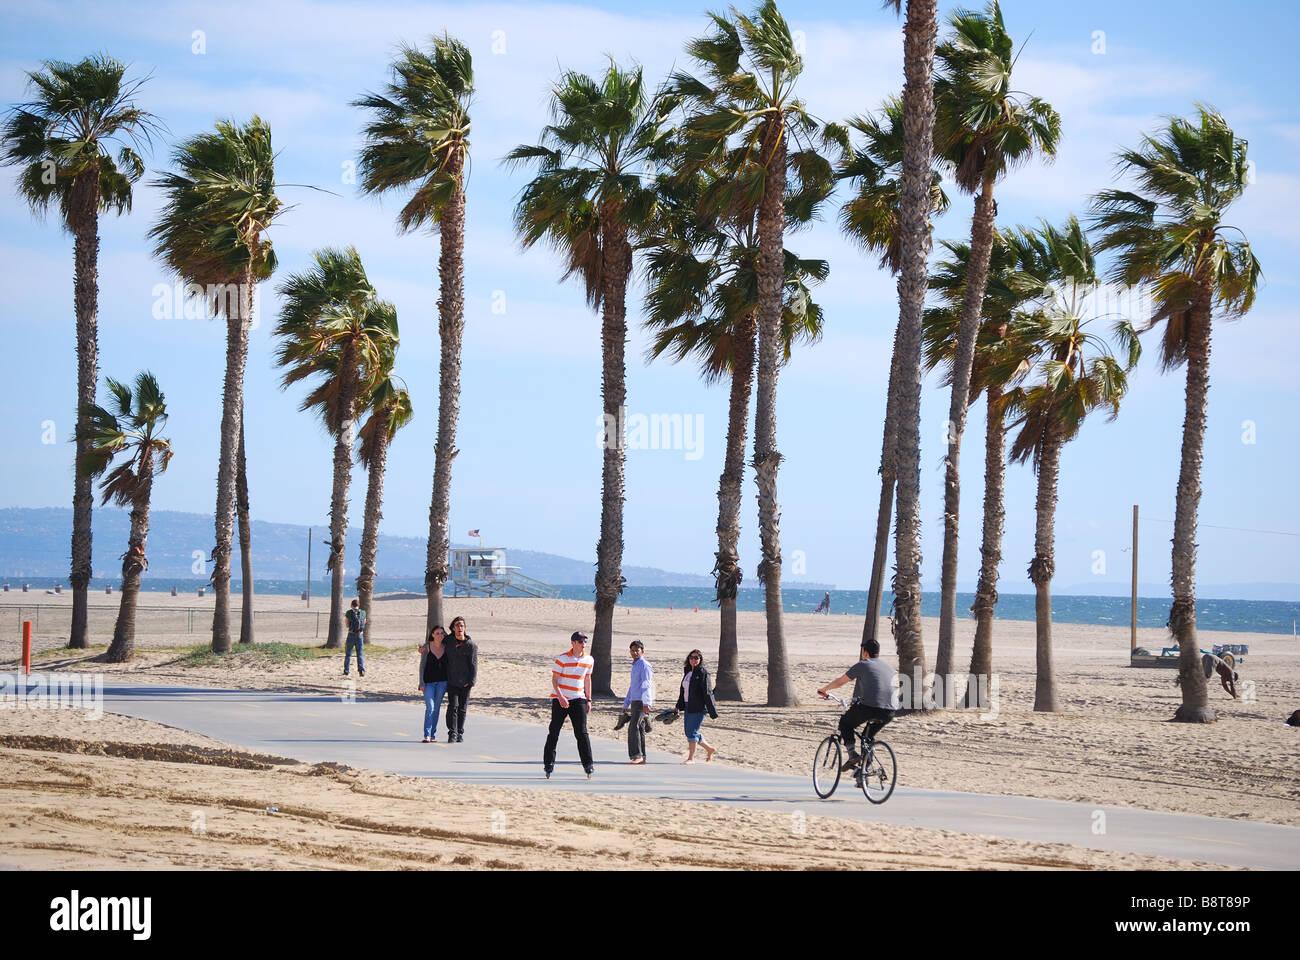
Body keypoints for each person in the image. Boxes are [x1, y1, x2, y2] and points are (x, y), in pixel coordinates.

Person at [818, 637, 897, 771]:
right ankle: (865, 771)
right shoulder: (889, 668)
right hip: (890, 711)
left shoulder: (863, 664)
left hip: (870, 707)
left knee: (845, 723)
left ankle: (852, 754)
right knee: (868, 737)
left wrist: (824, 690)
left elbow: (841, 681)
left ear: (865, 652)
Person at [544, 631, 595, 779]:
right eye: (580, 641)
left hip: (578, 698)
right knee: (554, 731)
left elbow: (587, 680)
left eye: (584, 641)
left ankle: (588, 764)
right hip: (560, 699)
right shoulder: (562, 659)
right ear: (573, 643)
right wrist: (560, 697)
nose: (583, 644)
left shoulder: (589, 660)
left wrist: (589, 700)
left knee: (582, 733)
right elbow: (555, 680)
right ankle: (548, 764)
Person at [674, 649, 718, 763]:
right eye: (691, 657)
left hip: (699, 707)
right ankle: (709, 749)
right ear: (688, 659)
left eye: (696, 658)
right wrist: (678, 705)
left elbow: (708, 692)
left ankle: (691, 758)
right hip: (688, 705)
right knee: (689, 732)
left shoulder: (703, 673)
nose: (694, 660)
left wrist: (712, 711)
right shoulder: (688, 672)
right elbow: (683, 691)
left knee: (691, 731)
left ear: (700, 659)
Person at [443, 616, 477, 743]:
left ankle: (460, 732)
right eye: (457, 625)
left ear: (465, 628)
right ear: (453, 628)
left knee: (462, 708)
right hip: (451, 681)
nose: (460, 628)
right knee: (453, 706)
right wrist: (423, 649)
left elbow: (474, 665)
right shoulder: (448, 641)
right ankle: (452, 732)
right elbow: (434, 640)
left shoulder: (471, 645)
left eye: (462, 626)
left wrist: (471, 681)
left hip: (465, 682)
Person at [621, 640, 654, 764]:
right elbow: (633, 686)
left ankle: (637, 755)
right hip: (635, 700)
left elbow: (647, 685)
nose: (634, 652)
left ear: (642, 651)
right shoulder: (635, 665)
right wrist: (626, 703)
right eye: (632, 650)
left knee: (633, 727)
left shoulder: (645, 665)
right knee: (639, 728)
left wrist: (647, 703)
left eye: (637, 650)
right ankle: (642, 756)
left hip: (641, 701)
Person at [417, 625, 449, 742]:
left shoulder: (447, 647)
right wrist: (421, 683)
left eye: (442, 633)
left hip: (442, 683)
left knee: (436, 708)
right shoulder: (427, 647)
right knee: (430, 707)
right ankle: (427, 734)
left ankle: (433, 734)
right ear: (432, 635)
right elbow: (422, 666)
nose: (440, 635)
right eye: (437, 633)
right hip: (428, 683)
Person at [343, 599, 366, 677]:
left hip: (351, 634)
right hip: (359, 635)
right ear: (358, 605)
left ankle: (346, 671)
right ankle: (361, 670)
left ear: (351, 605)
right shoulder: (363, 612)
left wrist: (351, 627)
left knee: (348, 654)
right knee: (359, 654)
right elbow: (364, 622)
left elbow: (346, 624)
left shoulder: (349, 612)